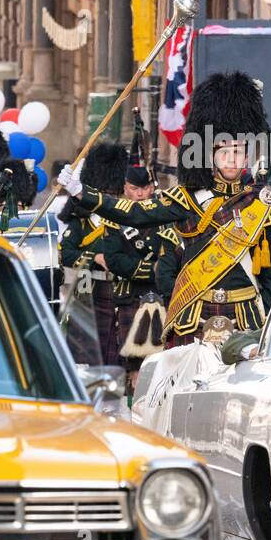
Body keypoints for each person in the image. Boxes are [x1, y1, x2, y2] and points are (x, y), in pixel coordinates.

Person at [58, 71, 271, 347]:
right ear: (210, 155)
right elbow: (134, 212)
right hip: (195, 315)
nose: (231, 159)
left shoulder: (264, 205)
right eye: (224, 151)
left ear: (248, 155)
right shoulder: (186, 198)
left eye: (238, 152)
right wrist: (82, 193)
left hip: (247, 319)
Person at [59, 142, 128, 365]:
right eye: (104, 193)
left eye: (112, 193)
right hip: (89, 292)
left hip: (120, 293)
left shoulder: (125, 219)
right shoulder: (81, 223)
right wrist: (94, 258)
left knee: (116, 353)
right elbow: (66, 253)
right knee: (87, 354)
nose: (109, 198)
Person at [102, 161, 168, 391]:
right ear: (124, 188)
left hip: (162, 296)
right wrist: (153, 271)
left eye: (144, 187)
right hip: (130, 296)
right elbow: (114, 259)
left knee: (164, 361)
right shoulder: (114, 218)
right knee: (135, 367)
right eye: (133, 188)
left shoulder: (165, 214)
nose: (140, 194)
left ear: (152, 187)